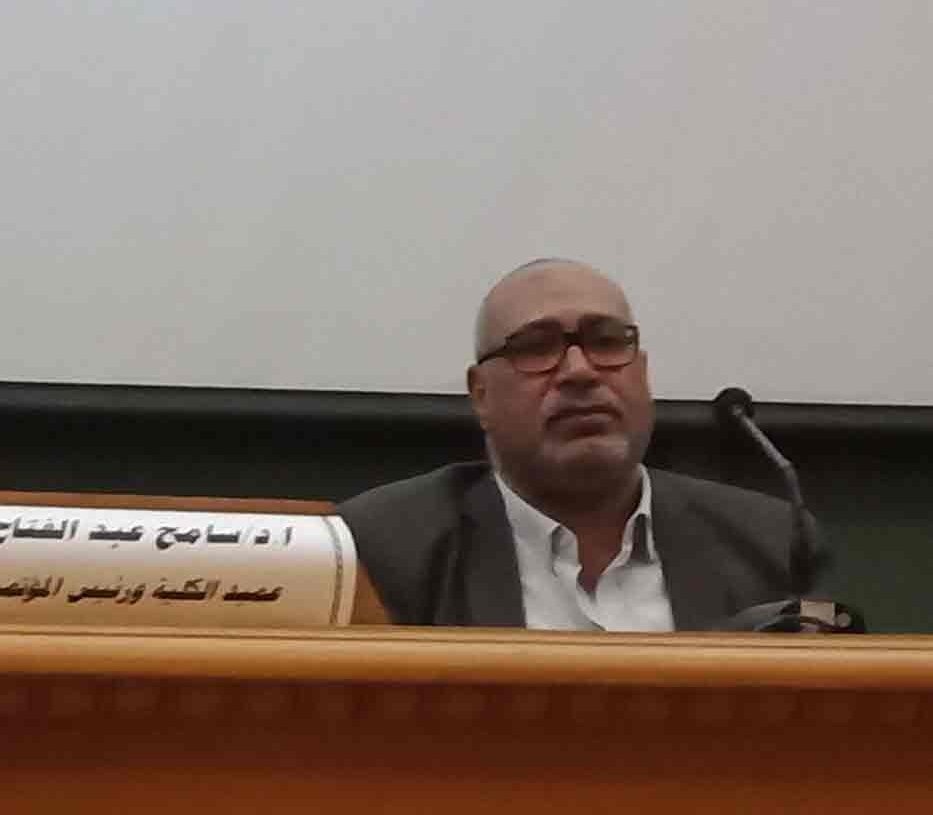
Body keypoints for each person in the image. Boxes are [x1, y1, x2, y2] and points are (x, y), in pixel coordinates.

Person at [338, 259, 824, 630]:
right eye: (536, 347)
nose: (579, 371)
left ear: (642, 373)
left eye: (607, 342)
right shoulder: (385, 548)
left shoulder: (772, 543)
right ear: (480, 394)